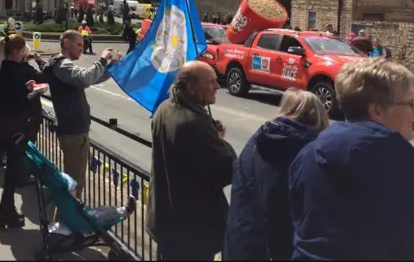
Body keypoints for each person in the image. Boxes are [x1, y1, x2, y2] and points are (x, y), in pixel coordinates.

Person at [289, 58, 414, 260]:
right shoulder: (397, 160)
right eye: (410, 103)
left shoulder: (308, 153)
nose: (413, 113)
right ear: (378, 111)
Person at [224, 88, 329, 261]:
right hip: (276, 249)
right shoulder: (307, 152)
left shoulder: (258, 139)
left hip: (240, 240)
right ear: (318, 117)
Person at [147, 61, 236, 261]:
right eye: (211, 82)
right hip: (191, 229)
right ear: (191, 87)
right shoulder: (193, 123)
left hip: (167, 220)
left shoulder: (164, 107)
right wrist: (219, 140)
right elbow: (227, 169)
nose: (217, 86)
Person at [43, 30, 116, 202]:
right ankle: (66, 222)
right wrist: (103, 59)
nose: (82, 49)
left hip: (74, 129)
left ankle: (68, 219)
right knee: (73, 182)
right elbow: (84, 79)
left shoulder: (63, 65)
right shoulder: (62, 65)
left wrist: (111, 68)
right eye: (79, 45)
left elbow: (89, 79)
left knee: (75, 180)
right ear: (67, 43)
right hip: (73, 131)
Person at [0, 35, 48, 229]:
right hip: (17, 127)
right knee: (13, 173)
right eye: (23, 50)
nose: (25, 52)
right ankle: (6, 213)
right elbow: (23, 99)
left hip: (0, 125)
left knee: (11, 174)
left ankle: (7, 213)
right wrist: (33, 92)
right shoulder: (19, 71)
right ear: (17, 51)